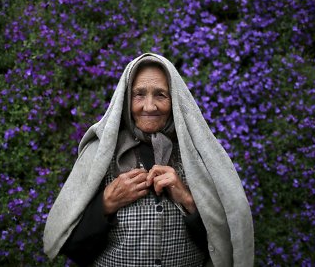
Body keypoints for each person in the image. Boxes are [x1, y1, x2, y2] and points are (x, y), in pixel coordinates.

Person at [43, 53, 254, 267]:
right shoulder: (100, 155)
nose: (149, 106)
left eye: (161, 95)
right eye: (139, 94)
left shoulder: (198, 156)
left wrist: (188, 199)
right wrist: (106, 203)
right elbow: (74, 250)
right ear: (126, 100)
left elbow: (224, 248)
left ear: (174, 99)